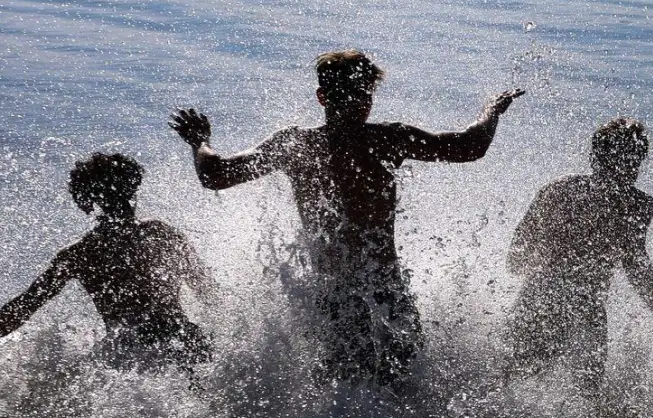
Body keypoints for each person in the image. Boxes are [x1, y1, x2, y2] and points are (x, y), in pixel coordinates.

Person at [169, 50, 522, 385]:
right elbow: (469, 146)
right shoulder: (388, 139)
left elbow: (215, 175)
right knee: (400, 393)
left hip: (332, 294)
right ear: (354, 97)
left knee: (342, 393)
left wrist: (199, 142)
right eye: (363, 95)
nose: (363, 103)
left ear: (323, 97)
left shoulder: (296, 144)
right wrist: (492, 110)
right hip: (384, 291)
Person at [0, 153, 215, 372]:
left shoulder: (78, 253)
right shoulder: (161, 233)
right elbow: (208, 293)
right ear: (133, 187)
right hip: (183, 339)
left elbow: (22, 308)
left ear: (88, 200)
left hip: (127, 356)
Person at [506, 119, 653, 395]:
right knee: (586, 397)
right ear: (636, 161)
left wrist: (547, 271)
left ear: (595, 156)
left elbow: (515, 257)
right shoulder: (638, 204)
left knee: (513, 384)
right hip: (587, 307)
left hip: (537, 296)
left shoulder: (557, 190)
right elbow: (635, 262)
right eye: (634, 160)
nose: (634, 167)